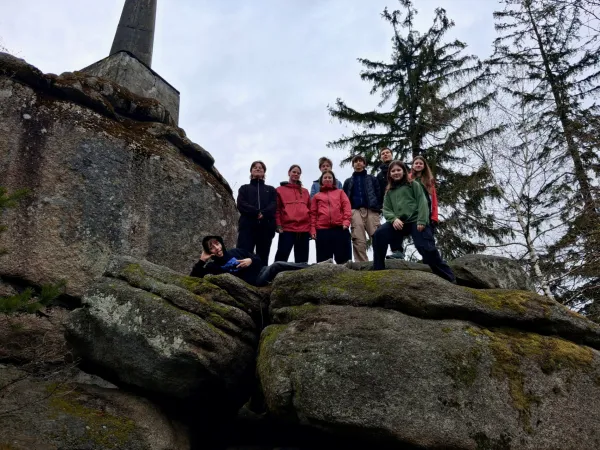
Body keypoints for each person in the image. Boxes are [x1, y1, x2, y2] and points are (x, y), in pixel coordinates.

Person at [372, 161, 455, 282]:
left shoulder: (413, 185)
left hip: (416, 220)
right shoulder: (389, 191)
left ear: (404, 172)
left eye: (398, 170)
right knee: (379, 235)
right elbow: (386, 209)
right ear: (389, 174)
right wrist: (393, 219)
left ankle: (448, 276)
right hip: (399, 222)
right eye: (393, 171)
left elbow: (422, 202)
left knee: (426, 248)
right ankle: (378, 270)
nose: (396, 173)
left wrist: (422, 220)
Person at [190, 235, 331, 287]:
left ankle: (313, 267)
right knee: (277, 265)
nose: (217, 248)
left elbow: (258, 258)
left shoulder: (236, 251)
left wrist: (250, 260)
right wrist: (202, 260)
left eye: (217, 244)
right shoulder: (214, 266)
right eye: (212, 248)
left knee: (281, 268)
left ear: (221, 243)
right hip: (255, 281)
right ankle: (315, 267)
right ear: (209, 251)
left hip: (262, 271)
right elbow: (193, 279)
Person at [236, 161, 277, 265]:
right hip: (247, 227)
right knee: (243, 254)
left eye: (260, 167)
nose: (258, 169)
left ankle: (262, 275)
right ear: (251, 171)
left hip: (266, 227)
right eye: (255, 167)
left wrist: (263, 213)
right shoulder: (244, 188)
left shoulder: (271, 189)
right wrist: (256, 212)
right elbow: (241, 203)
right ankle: (241, 274)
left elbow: (274, 204)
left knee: (262, 257)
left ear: (264, 172)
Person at [342, 155, 382, 262]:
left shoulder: (372, 179)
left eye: (360, 161)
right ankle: (361, 263)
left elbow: (379, 194)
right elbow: (344, 198)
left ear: (364, 164)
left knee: (377, 236)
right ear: (353, 165)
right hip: (355, 211)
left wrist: (378, 207)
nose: (358, 163)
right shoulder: (348, 181)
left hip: (371, 210)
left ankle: (379, 262)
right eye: (355, 161)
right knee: (358, 238)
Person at [310, 170, 352, 264]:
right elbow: (313, 214)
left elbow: (347, 207)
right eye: (325, 177)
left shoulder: (340, 192)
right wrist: (312, 230)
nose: (327, 179)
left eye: (330, 177)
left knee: (344, 261)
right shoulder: (317, 196)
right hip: (322, 231)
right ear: (321, 181)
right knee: (324, 262)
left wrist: (346, 222)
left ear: (333, 180)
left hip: (340, 229)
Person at [274, 164, 311, 263]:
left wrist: (311, 228)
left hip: (304, 230)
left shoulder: (305, 191)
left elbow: (310, 210)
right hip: (287, 229)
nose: (296, 174)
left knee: (302, 261)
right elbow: (277, 210)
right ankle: (275, 273)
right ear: (289, 173)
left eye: (298, 173)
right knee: (281, 258)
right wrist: (278, 225)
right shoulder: (279, 190)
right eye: (294, 172)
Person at [377, 147, 404, 260]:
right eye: (383, 153)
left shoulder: (401, 168)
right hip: (388, 205)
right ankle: (397, 251)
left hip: (403, 202)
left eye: (387, 152)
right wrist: (380, 206)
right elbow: (379, 192)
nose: (385, 154)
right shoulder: (379, 175)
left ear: (391, 154)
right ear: (381, 158)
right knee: (393, 226)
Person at [408, 155, 439, 230]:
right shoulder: (408, 178)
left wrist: (434, 217)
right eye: (416, 163)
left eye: (421, 163)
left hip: (426, 211)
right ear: (413, 165)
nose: (418, 165)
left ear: (424, 166)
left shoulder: (429, 180)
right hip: (412, 212)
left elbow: (433, 199)